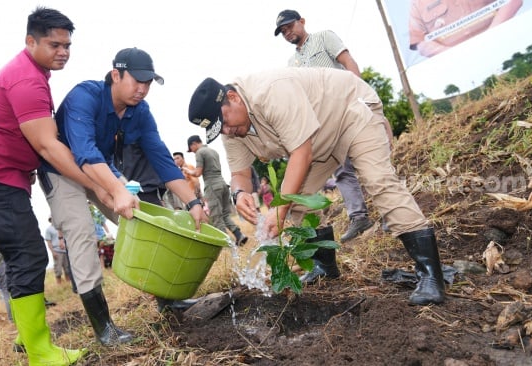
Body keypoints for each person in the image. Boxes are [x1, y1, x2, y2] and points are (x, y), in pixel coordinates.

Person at [0, 7, 137, 363]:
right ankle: (40, 352)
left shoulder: (33, 73)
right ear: (30, 41)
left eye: (67, 45)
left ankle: (28, 341)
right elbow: (47, 145)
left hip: (4, 179)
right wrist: (98, 186)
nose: (63, 52)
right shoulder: (26, 79)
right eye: (54, 44)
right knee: (29, 257)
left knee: (24, 256)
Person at [187, 69, 446, 305]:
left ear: (233, 97)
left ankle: (431, 274)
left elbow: (301, 153)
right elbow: (240, 173)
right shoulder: (231, 130)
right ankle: (325, 265)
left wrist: (279, 211)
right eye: (222, 130)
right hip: (319, 141)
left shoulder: (271, 91)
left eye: (227, 122)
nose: (229, 132)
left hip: (348, 111)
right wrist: (239, 193)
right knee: (299, 202)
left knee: (378, 180)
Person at [39, 47, 206, 343]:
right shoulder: (85, 97)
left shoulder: (139, 111)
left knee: (145, 219)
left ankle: (169, 299)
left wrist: (192, 202)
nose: (142, 90)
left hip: (100, 167)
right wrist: (114, 189)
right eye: (136, 81)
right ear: (116, 75)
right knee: (81, 234)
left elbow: (161, 157)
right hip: (62, 170)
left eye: (148, 83)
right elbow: (83, 151)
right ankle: (104, 327)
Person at [274, 9, 377, 243]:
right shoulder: (292, 64)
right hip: (325, 122)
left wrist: (362, 95)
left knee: (370, 161)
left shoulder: (324, 38)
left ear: (302, 22)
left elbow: (347, 62)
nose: (287, 32)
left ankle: (392, 213)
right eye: (282, 31)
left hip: (349, 107)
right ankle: (359, 217)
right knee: (341, 169)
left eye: (289, 26)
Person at [186, 135, 249, 246]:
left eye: (191, 149)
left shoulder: (200, 153)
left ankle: (227, 244)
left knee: (216, 216)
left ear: (194, 144)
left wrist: (187, 171)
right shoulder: (213, 151)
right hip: (223, 184)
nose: (192, 152)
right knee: (225, 214)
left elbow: (197, 173)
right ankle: (239, 235)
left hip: (212, 186)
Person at [408, 0, 523, 57]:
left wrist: (491, 37)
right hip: (460, 68)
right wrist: (456, 55)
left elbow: (513, 1)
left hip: (505, 48)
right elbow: (420, 43)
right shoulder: (417, 4)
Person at [44, 217, 70, 285]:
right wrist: (53, 252)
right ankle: (59, 285)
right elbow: (49, 242)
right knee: (58, 270)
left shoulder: (61, 228)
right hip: (57, 251)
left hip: (65, 250)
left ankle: (68, 283)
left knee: (67, 268)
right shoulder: (49, 229)